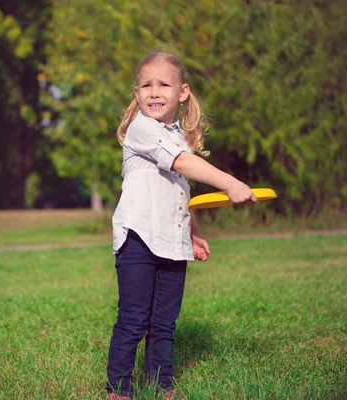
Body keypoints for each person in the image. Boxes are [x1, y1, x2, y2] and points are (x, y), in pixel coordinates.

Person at [106, 48, 257, 399]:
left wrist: (194, 230)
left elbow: (180, 189)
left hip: (171, 241)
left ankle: (161, 385)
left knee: (164, 322)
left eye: (164, 85)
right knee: (133, 320)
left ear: (183, 92)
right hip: (138, 239)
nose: (154, 92)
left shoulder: (177, 136)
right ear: (137, 93)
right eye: (146, 85)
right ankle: (119, 389)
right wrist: (230, 183)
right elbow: (183, 165)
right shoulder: (141, 128)